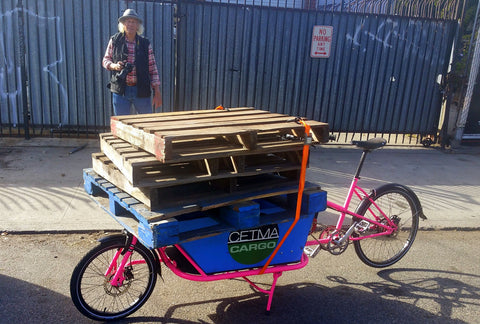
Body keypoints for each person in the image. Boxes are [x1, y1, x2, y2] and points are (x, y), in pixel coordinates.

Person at [103, 9, 162, 115]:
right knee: (122, 124)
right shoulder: (115, 40)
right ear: (123, 24)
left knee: (146, 122)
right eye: (128, 21)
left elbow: (152, 68)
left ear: (138, 25)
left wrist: (157, 91)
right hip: (121, 91)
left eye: (133, 22)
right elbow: (105, 60)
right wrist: (115, 66)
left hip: (141, 90)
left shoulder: (145, 43)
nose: (130, 24)